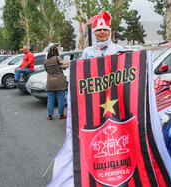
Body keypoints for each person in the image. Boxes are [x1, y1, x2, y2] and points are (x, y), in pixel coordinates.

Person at [47, 11, 124, 187]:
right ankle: (95, 168)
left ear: (110, 32)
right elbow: (81, 74)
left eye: (105, 30)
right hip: (93, 103)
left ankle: (114, 169)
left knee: (114, 134)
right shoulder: (88, 52)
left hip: (115, 102)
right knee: (95, 135)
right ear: (94, 33)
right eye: (98, 31)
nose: (102, 33)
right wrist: (72, 66)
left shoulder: (119, 50)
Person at [44, 45, 67, 120]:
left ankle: (50, 115)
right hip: (60, 81)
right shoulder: (58, 58)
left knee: (50, 99)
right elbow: (64, 67)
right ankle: (61, 114)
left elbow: (46, 70)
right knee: (61, 99)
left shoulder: (46, 60)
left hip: (50, 81)